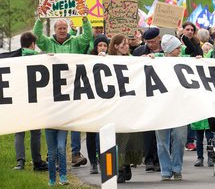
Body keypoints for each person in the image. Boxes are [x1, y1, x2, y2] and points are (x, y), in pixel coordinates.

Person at [33, 14, 92, 186]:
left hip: (71, 91)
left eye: (64, 28)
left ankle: (70, 162)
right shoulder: (48, 43)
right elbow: (37, 36)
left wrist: (85, 20)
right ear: (54, 30)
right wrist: (39, 19)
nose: (62, 31)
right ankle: (53, 178)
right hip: (53, 95)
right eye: (59, 28)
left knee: (63, 141)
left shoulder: (75, 42)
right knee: (52, 151)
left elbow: (87, 37)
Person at [150, 34, 191, 181]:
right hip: (160, 107)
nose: (180, 50)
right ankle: (166, 170)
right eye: (177, 48)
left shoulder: (184, 61)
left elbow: (196, 53)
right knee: (162, 141)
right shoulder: (155, 60)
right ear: (169, 50)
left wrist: (200, 61)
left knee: (180, 138)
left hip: (180, 107)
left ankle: (177, 168)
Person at [105, 34, 144, 183]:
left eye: (127, 43)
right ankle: (119, 168)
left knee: (130, 138)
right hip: (114, 105)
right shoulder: (107, 60)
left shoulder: (133, 61)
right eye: (123, 44)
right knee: (117, 138)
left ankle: (126, 164)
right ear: (115, 46)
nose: (126, 46)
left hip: (130, 104)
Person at [12, 32, 48, 171]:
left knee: (19, 132)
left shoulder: (13, 59)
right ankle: (37, 162)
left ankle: (20, 162)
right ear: (33, 44)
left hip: (19, 100)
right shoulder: (39, 58)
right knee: (35, 133)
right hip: (35, 100)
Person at [132, 27, 162, 172]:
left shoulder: (166, 51)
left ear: (159, 38)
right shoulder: (139, 52)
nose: (150, 45)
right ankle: (148, 158)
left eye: (153, 41)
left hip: (162, 95)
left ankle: (159, 159)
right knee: (148, 130)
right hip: (145, 95)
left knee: (161, 128)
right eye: (148, 42)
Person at [86, 34, 109, 174]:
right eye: (100, 45)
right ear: (96, 47)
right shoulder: (88, 60)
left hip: (105, 102)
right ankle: (93, 162)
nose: (103, 48)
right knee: (91, 134)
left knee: (103, 133)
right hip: (91, 102)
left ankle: (102, 160)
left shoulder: (111, 59)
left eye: (105, 45)